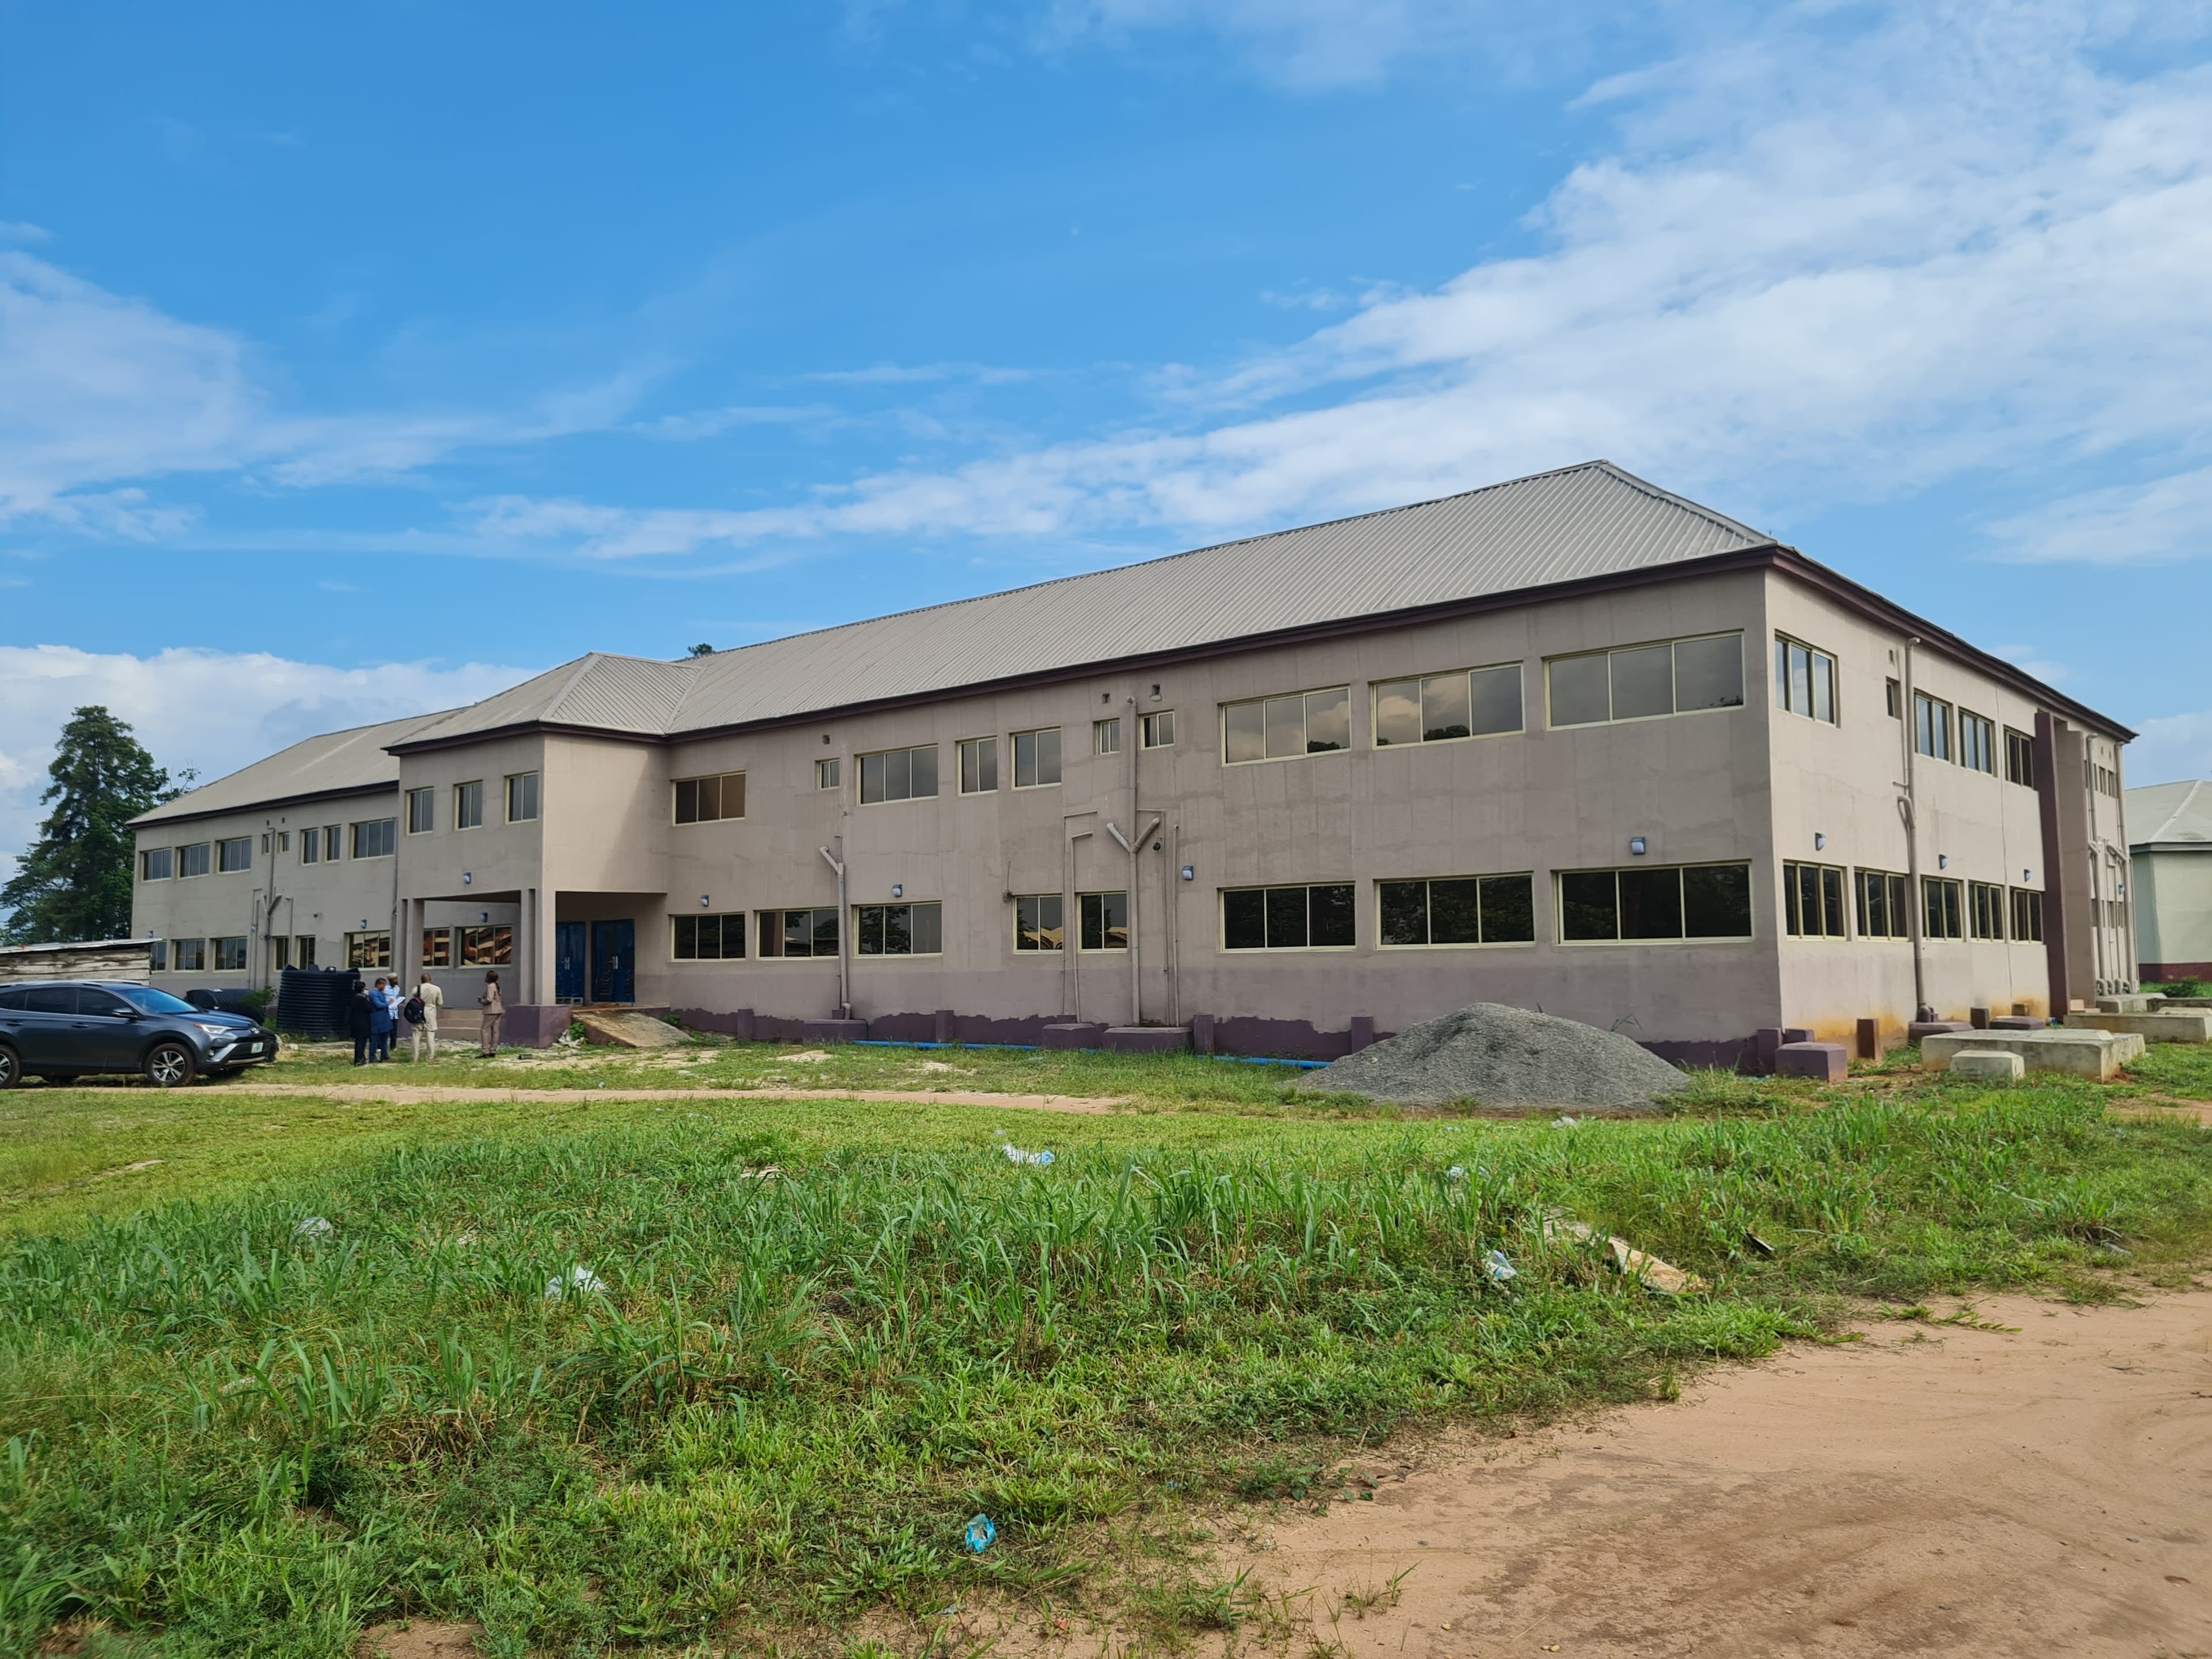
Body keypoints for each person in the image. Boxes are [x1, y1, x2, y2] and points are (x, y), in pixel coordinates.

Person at [406, 976, 444, 1062]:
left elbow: (410, 1001)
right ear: (430, 980)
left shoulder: (416, 989)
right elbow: (440, 1003)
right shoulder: (437, 989)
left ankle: (415, 1058)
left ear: (422, 981)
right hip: (431, 1013)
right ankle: (431, 1057)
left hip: (418, 1013)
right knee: (431, 1035)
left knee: (416, 1035)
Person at [368, 976, 395, 1063]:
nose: (385, 988)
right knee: (375, 1040)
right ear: (379, 985)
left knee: (384, 1038)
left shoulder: (381, 993)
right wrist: (388, 1004)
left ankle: (385, 1054)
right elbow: (379, 1005)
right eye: (384, 986)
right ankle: (372, 1056)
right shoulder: (373, 993)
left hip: (384, 1019)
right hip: (377, 1019)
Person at [346, 983, 374, 1067]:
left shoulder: (353, 998)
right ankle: (359, 1059)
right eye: (365, 988)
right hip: (363, 1024)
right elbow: (371, 1009)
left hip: (355, 1023)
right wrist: (368, 998)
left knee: (359, 1042)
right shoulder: (362, 1000)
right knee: (361, 1042)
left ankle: (359, 1058)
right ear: (362, 989)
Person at [478, 970, 505, 1055]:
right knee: (495, 1031)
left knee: (484, 1030)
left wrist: (482, 1001)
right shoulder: (497, 986)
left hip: (491, 1011)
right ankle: (493, 1050)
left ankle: (486, 1051)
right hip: (499, 1010)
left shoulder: (491, 986)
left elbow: (489, 999)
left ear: (489, 978)